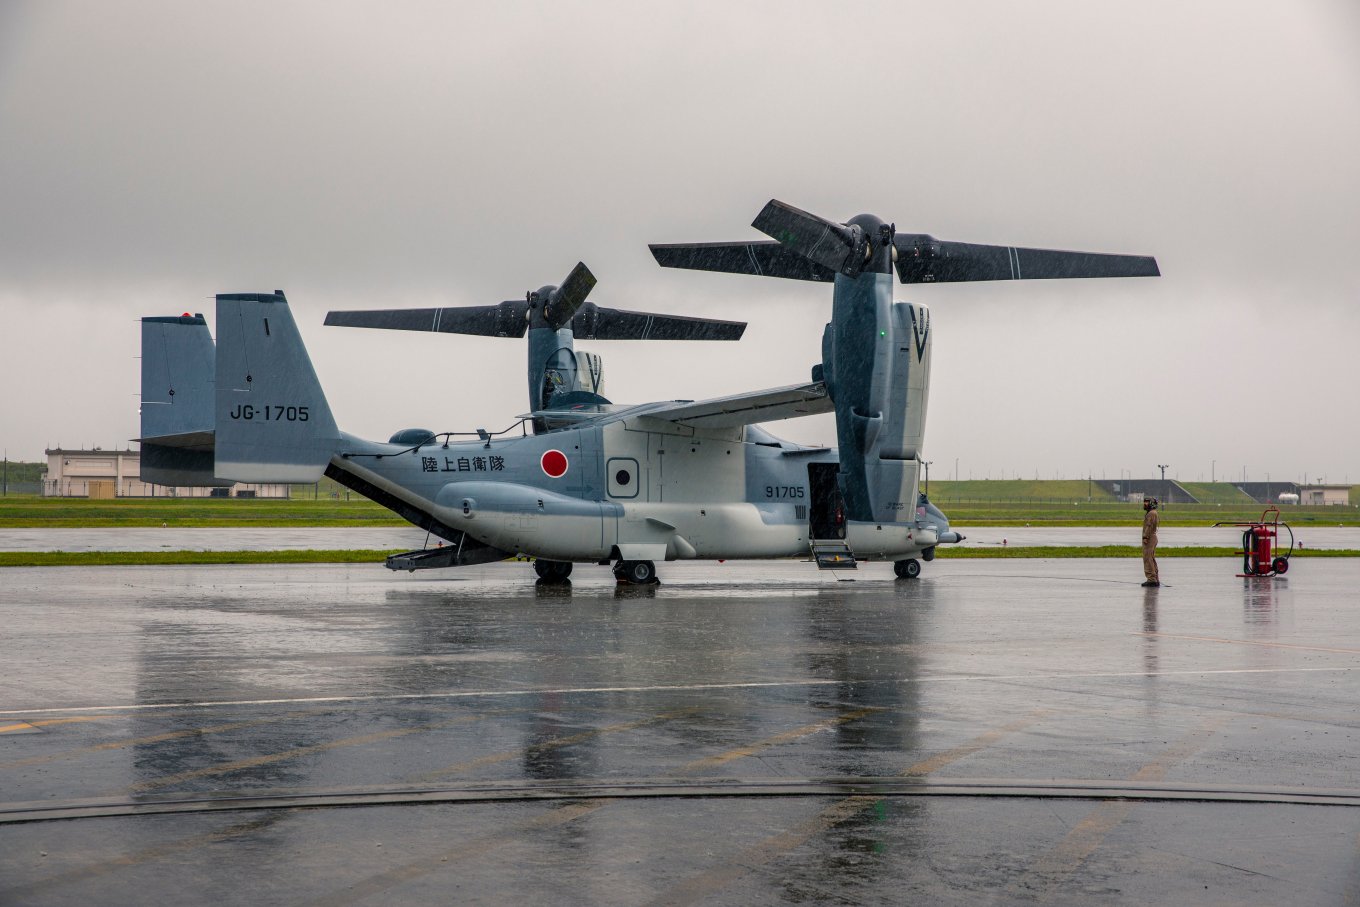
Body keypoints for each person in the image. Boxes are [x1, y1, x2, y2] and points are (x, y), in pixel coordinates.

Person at [1141, 496, 1160, 587]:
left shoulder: (1151, 513)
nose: (1144, 503)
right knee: (1151, 558)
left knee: (1147, 558)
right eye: (1144, 502)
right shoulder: (1153, 512)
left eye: (1147, 502)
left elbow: (1148, 526)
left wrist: (1145, 537)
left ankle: (1151, 579)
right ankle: (1155, 578)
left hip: (1149, 538)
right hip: (1152, 537)